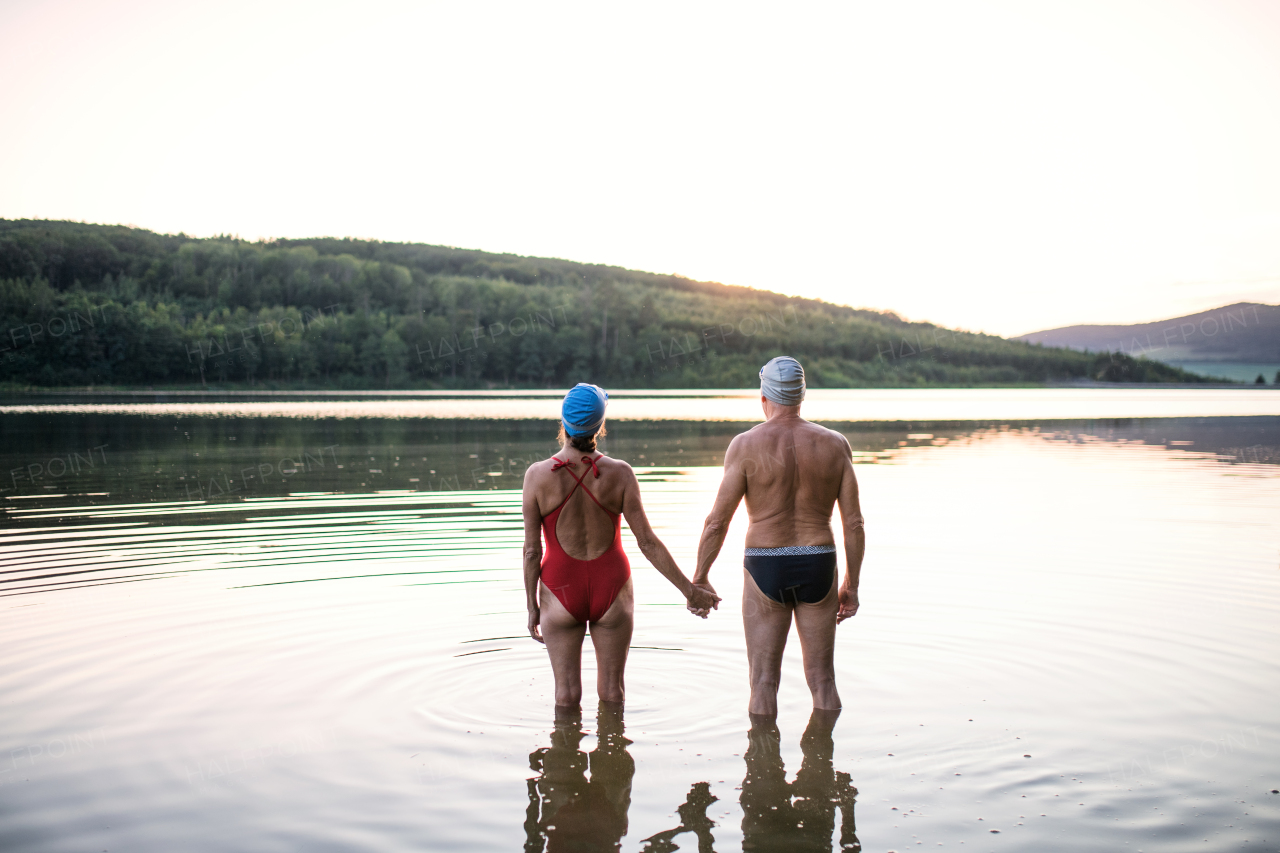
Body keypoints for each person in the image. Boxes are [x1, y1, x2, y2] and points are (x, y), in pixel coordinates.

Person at [524, 383, 719, 709]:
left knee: (565, 695)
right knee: (613, 693)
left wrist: (532, 605)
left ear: (563, 422)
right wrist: (689, 590)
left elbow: (532, 551)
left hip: (559, 588)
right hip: (611, 588)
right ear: (600, 425)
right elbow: (647, 543)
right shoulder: (621, 473)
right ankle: (614, 751)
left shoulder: (537, 476)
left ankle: (563, 751)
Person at [690, 357, 865, 716]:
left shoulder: (744, 445)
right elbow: (854, 524)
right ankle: (823, 762)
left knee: (763, 681)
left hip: (766, 565)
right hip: (818, 561)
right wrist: (852, 584)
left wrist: (700, 577)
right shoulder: (834, 444)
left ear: (763, 397)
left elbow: (716, 523)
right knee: (823, 680)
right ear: (802, 396)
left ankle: (761, 767)